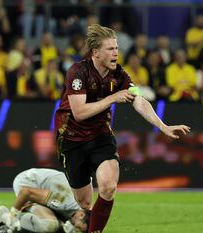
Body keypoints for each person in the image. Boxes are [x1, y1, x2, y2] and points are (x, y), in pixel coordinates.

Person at [54, 24, 190, 233]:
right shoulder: (78, 72)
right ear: (96, 52)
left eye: (116, 48)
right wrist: (113, 98)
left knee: (108, 186)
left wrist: (162, 126)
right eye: (110, 49)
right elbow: (79, 113)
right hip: (71, 139)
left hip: (101, 136)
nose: (116, 52)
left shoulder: (120, 75)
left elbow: (138, 100)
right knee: (84, 202)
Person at [0, 168, 91, 233]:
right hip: (27, 182)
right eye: (80, 228)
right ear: (81, 215)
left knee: (58, 228)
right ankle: (2, 217)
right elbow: (26, 192)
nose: (78, 230)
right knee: (51, 224)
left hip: (43, 187)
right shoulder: (64, 201)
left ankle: (2, 227)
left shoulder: (80, 206)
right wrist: (13, 214)